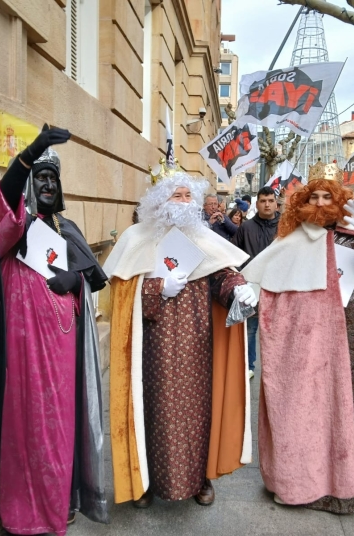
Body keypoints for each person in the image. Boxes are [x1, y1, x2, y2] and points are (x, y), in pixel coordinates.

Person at [242, 163, 354, 516]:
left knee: (350, 414)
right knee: (302, 412)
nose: (321, 203)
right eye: (315, 196)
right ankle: (296, 481)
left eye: (329, 196)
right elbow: (260, 282)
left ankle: (352, 487)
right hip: (307, 345)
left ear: (342, 200)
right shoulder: (291, 241)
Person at [0, 124, 109, 535]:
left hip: (62, 357)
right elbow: (1, 201)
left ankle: (58, 503)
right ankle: (21, 509)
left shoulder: (67, 228)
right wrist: (31, 154)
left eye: (51, 179)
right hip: (21, 356)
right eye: (38, 177)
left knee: (59, 434)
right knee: (24, 431)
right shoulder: (12, 225)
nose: (45, 184)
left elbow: (93, 280)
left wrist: (73, 281)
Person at [103, 159, 255, 509]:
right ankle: (144, 482)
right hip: (151, 347)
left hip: (197, 346)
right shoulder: (136, 238)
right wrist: (156, 287)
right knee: (149, 412)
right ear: (158, 201)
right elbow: (119, 296)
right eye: (176, 195)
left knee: (198, 414)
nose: (183, 201)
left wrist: (239, 289)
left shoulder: (205, 238)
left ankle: (199, 478)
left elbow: (222, 276)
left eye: (188, 196)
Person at [232, 186, 280, 379]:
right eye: (263, 201)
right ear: (257, 203)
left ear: (276, 203)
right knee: (250, 329)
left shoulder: (286, 226)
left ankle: (276, 368)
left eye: (270, 200)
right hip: (252, 285)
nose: (267, 204)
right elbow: (235, 253)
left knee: (277, 329)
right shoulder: (246, 227)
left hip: (278, 286)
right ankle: (249, 366)